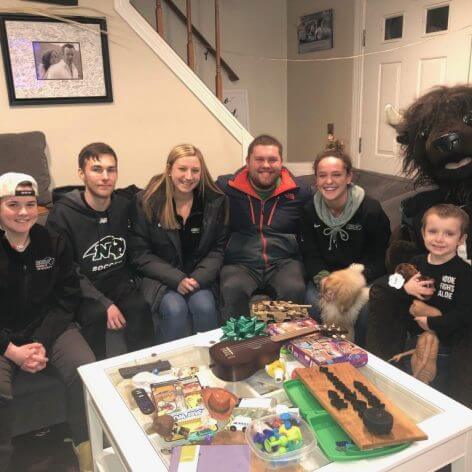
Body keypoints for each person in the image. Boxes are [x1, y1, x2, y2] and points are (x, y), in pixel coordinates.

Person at [0, 172, 95, 472]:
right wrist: (12, 349)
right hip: (3, 339)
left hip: (48, 328)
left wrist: (39, 341)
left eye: (30, 204)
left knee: (85, 368)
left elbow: (67, 298)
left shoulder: (52, 242)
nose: (23, 212)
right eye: (13, 204)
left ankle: (87, 450)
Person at [46, 143, 153, 359]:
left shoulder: (124, 206)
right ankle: (98, 383)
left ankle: (146, 371)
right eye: (96, 169)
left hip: (118, 282)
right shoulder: (62, 214)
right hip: (81, 288)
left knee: (139, 306)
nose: (105, 176)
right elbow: (66, 270)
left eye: (111, 170)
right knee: (95, 314)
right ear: (81, 174)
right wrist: (105, 303)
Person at [129, 144, 227, 343]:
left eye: (195, 170)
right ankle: (170, 368)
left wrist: (198, 278)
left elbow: (218, 248)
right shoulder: (146, 201)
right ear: (169, 170)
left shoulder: (215, 202)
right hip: (160, 279)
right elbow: (140, 254)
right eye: (182, 169)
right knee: (175, 309)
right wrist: (177, 279)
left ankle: (211, 364)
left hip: (198, 277)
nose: (188, 176)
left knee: (205, 306)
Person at [301, 143, 391, 345]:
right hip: (326, 276)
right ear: (316, 179)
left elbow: (379, 258)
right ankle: (318, 354)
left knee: (367, 310)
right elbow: (310, 254)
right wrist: (324, 280)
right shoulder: (308, 210)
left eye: (336, 174)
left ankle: (357, 359)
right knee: (313, 304)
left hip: (361, 276)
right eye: (322, 175)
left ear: (349, 177)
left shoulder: (370, 209)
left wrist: (348, 283)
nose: (329, 181)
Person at [217, 135, 311, 320]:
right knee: (231, 288)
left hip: (284, 262)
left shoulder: (300, 191)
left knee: (294, 287)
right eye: (259, 159)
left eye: (272, 159)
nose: (266, 165)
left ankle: (285, 343)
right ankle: (237, 345)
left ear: (281, 162)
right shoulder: (226, 186)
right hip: (240, 263)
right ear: (247, 162)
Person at [389, 204, 472, 393]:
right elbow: (391, 283)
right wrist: (405, 287)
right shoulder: (416, 262)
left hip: (445, 343)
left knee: (432, 389)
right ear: (423, 232)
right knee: (405, 385)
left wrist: (434, 322)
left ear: (461, 239)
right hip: (412, 336)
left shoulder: (465, 273)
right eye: (433, 231)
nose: (439, 239)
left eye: (449, 234)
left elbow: (465, 314)